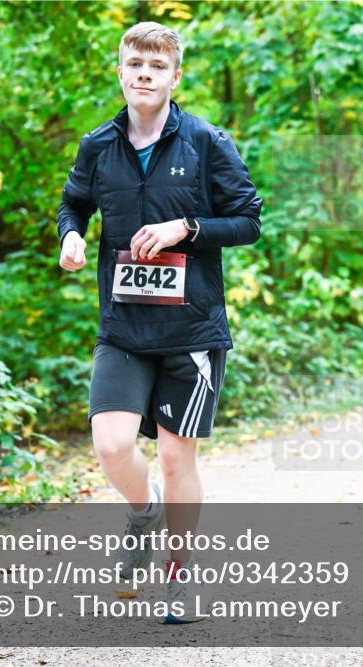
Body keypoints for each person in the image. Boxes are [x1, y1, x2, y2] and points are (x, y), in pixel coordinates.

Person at [56, 22, 262, 623]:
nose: (144, 73)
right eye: (134, 63)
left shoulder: (205, 141)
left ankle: (181, 577)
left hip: (190, 332)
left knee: (177, 459)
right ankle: (142, 514)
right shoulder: (98, 145)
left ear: (175, 76)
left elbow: (248, 219)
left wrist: (187, 228)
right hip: (123, 328)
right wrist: (71, 235)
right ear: (119, 71)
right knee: (112, 444)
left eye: (157, 65)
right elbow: (73, 203)